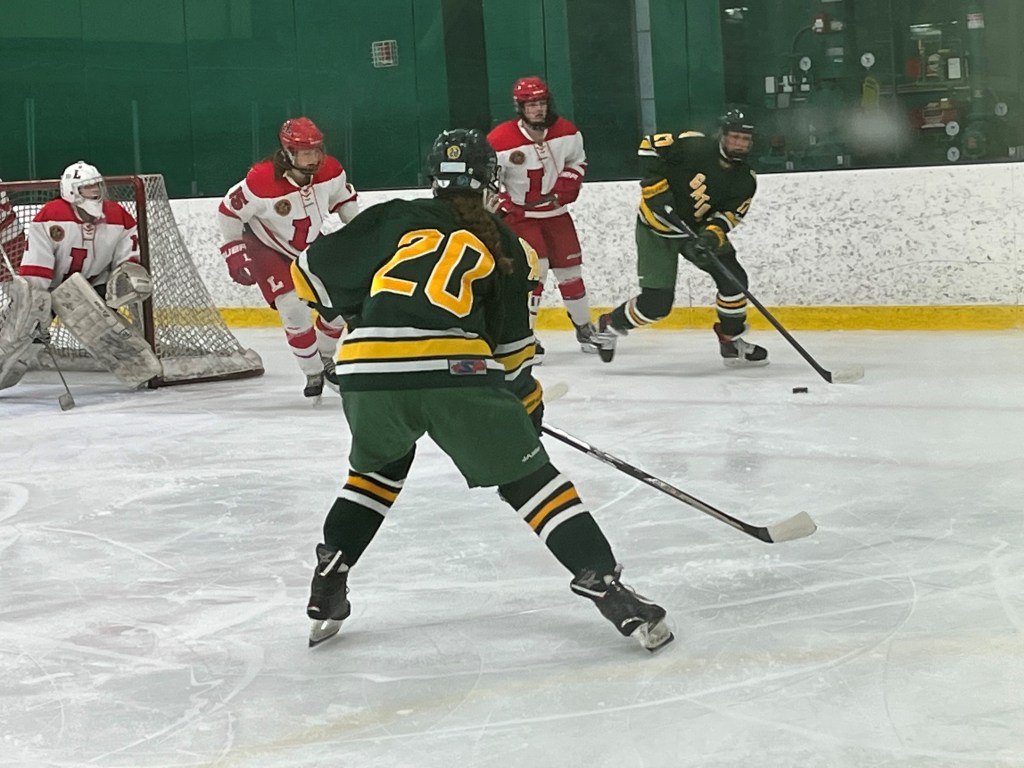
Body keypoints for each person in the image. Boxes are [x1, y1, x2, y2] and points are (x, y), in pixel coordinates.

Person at [290, 127, 672, 652]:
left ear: (434, 179)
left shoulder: (394, 216)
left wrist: (364, 318)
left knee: (376, 473)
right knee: (530, 481)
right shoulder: (509, 246)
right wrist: (525, 411)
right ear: (492, 181)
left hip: (364, 367)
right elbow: (512, 357)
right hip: (452, 368)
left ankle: (332, 571)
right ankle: (606, 585)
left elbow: (307, 273)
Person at [598, 109, 769, 367]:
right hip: (657, 227)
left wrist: (710, 236)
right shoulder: (693, 145)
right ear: (722, 135)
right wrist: (654, 188)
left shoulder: (745, 179)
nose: (739, 144)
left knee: (734, 281)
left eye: (745, 140)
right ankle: (611, 323)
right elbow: (649, 145)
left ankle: (731, 342)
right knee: (657, 305)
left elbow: (729, 215)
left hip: (696, 232)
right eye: (734, 137)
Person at [217, 116, 359, 399]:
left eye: (317, 151)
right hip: (267, 251)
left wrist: (361, 233)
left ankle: (325, 357)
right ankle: (313, 371)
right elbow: (228, 211)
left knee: (343, 303)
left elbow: (344, 201)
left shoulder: (331, 170)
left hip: (310, 247)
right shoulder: (260, 180)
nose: (314, 159)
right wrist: (234, 249)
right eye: (306, 153)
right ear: (288, 153)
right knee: (293, 307)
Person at [1, 161, 153, 389]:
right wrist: (34, 307)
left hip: (95, 288)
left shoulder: (118, 216)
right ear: (71, 190)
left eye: (96, 186)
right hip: (52, 289)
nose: (95, 192)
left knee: (118, 303)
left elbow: (128, 259)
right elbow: (37, 270)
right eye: (87, 187)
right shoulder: (51, 215)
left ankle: (132, 359)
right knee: (30, 311)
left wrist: (127, 276)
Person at [487, 76, 597, 356]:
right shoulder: (500, 140)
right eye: (531, 104)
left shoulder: (567, 132)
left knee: (571, 272)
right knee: (537, 272)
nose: (538, 109)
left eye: (541, 103)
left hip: (556, 214)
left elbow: (577, 160)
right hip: (521, 216)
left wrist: (570, 180)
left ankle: (585, 328)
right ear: (520, 108)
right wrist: (501, 199)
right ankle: (524, 336)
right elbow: (489, 178)